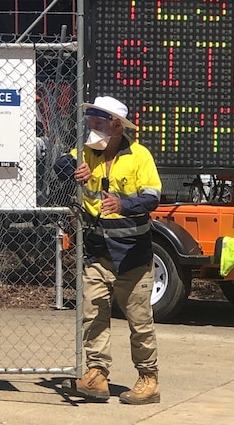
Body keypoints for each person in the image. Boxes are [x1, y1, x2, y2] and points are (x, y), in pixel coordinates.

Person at [54, 95, 163, 405]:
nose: (93, 121)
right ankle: (97, 374)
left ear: (117, 125)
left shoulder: (139, 156)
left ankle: (148, 379)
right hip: (97, 253)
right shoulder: (87, 152)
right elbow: (60, 163)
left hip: (133, 256)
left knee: (140, 322)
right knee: (94, 314)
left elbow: (153, 197)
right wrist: (74, 170)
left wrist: (124, 205)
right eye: (91, 116)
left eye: (100, 117)